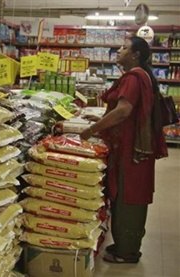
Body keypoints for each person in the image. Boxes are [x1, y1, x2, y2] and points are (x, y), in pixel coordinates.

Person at [80, 36, 168, 264]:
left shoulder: (133, 77)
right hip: (137, 148)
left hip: (131, 150)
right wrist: (98, 117)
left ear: (135, 54)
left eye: (124, 48)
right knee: (132, 195)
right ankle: (125, 246)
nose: (118, 51)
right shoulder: (143, 75)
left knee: (129, 195)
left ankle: (126, 252)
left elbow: (123, 111)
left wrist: (92, 129)